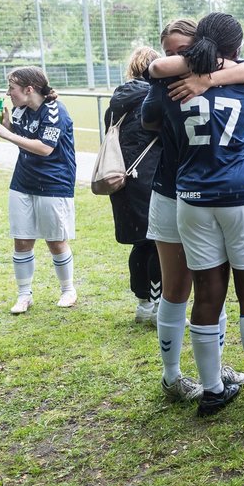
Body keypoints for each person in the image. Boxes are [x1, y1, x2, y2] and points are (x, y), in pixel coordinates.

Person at [146, 13, 244, 421]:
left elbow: (156, 102)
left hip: (192, 196)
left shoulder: (169, 85)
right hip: (243, 194)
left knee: (207, 295)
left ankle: (212, 391)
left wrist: (202, 76)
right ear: (235, 49)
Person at [140, 19, 244, 404]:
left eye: (184, 50)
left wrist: (207, 79)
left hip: (199, 194)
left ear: (202, 45)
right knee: (178, 289)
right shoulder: (166, 81)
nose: (177, 58)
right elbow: (150, 117)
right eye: (171, 51)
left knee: (213, 288)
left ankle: (214, 372)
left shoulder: (222, 76)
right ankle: (172, 376)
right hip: (173, 191)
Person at [0, 67, 79, 314]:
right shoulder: (20, 110)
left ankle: (68, 290)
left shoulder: (55, 111)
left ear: (29, 90)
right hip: (23, 181)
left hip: (54, 182)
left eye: (12, 89)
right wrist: (8, 124)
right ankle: (23, 295)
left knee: (55, 240)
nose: (8, 94)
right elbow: (25, 135)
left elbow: (45, 148)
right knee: (22, 239)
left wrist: (6, 134)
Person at [105, 46, 163, 325]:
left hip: (121, 178)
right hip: (150, 177)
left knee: (140, 244)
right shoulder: (152, 98)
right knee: (156, 244)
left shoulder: (117, 101)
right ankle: (157, 306)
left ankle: (142, 304)